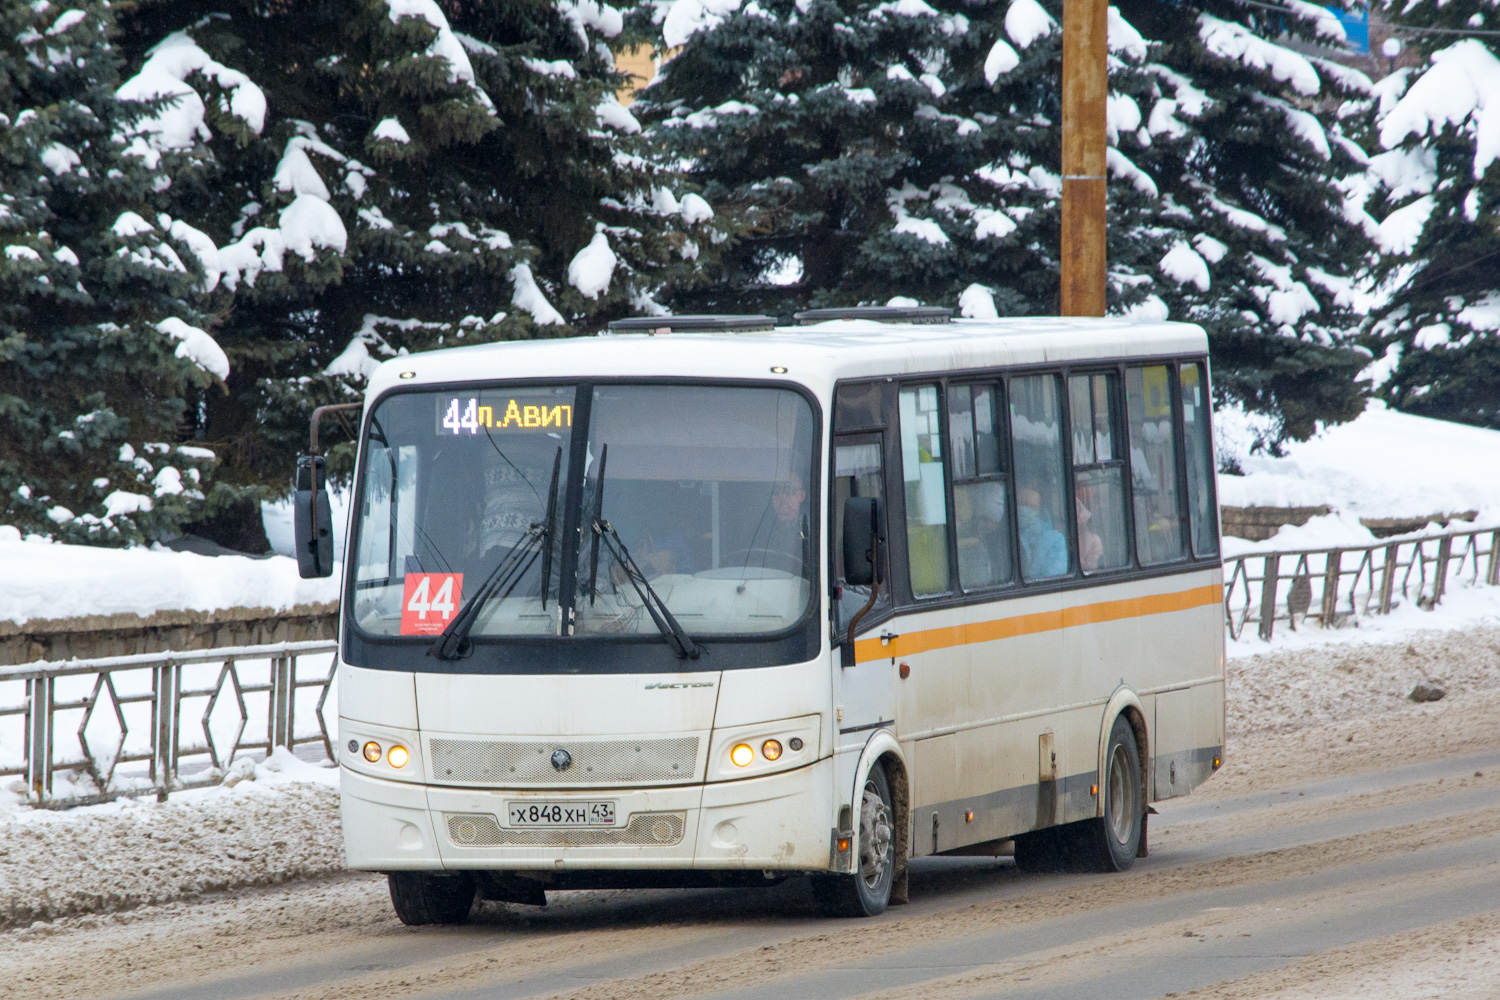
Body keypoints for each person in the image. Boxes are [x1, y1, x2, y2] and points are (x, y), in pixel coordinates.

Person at [1017, 486, 1068, 579]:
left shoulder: (1055, 539)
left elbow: (1054, 576)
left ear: (1039, 511)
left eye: (1032, 506)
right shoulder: (1008, 538)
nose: (1025, 509)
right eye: (1022, 504)